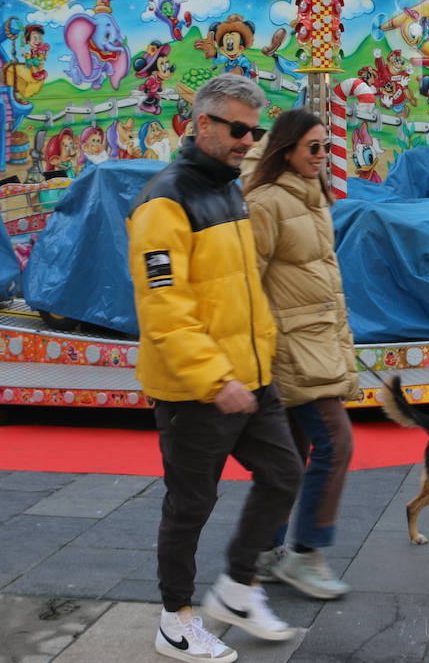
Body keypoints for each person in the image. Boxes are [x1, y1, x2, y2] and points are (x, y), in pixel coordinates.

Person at [128, 73, 303, 662]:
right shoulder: (163, 202)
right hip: (197, 390)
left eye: (253, 130)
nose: (247, 140)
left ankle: (235, 589)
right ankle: (175, 620)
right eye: (237, 128)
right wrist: (213, 377)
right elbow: (164, 308)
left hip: (250, 378)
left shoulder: (229, 188)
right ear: (202, 123)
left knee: (284, 474)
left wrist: (262, 354)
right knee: (189, 506)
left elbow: (239, 288)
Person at [242, 109, 362, 600]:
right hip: (291, 347)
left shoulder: (310, 198)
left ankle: (265, 552)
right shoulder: (267, 203)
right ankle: (307, 553)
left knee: (289, 457)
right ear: (286, 150)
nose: (321, 155)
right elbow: (247, 280)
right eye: (313, 147)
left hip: (315, 338)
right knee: (337, 442)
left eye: (325, 146)